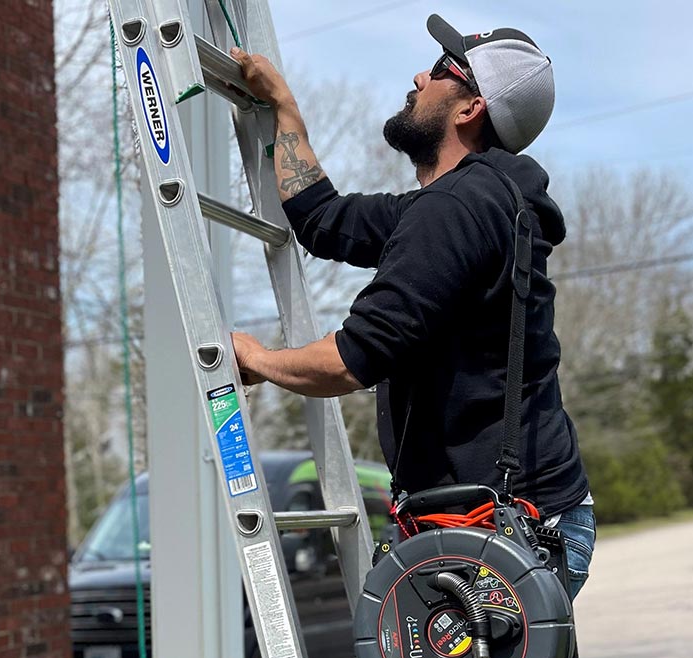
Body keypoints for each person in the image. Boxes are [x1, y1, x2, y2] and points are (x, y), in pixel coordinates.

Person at [227, 14, 594, 600]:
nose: (420, 76)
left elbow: (353, 359)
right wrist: (286, 111)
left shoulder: (456, 210)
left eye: (442, 69)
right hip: (517, 518)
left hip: (499, 527)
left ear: (469, 108)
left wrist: (255, 358)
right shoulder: (469, 203)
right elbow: (324, 221)